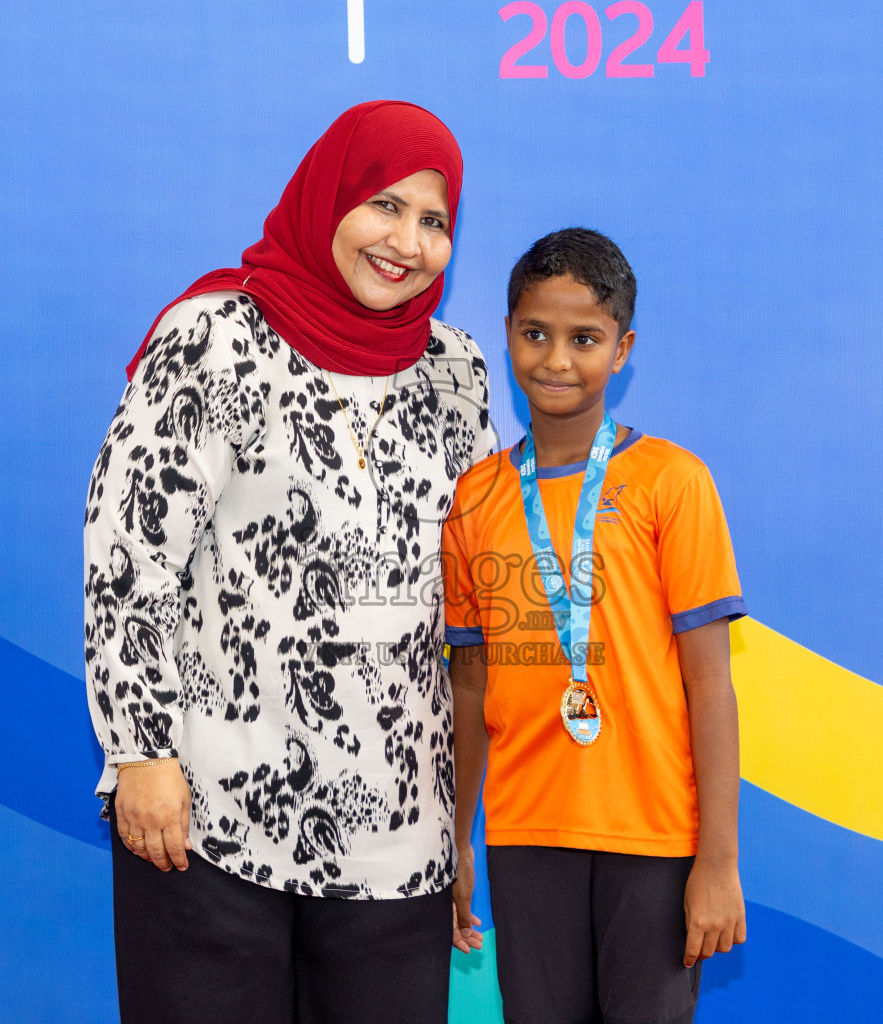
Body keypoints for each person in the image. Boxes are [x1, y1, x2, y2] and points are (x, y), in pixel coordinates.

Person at [84, 100, 495, 1024]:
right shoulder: (217, 339)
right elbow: (129, 557)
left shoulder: (455, 371)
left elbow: (470, 591)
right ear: (328, 198)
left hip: (400, 835)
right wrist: (141, 753)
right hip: (209, 818)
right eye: (384, 205)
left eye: (435, 221)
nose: (408, 241)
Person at [443, 227, 748, 1024]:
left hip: (650, 839)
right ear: (507, 331)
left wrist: (717, 862)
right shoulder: (475, 498)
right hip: (524, 833)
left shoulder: (671, 483)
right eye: (535, 333)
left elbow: (709, 681)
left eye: (585, 339)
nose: (556, 359)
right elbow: (469, 683)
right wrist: (457, 837)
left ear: (623, 349)